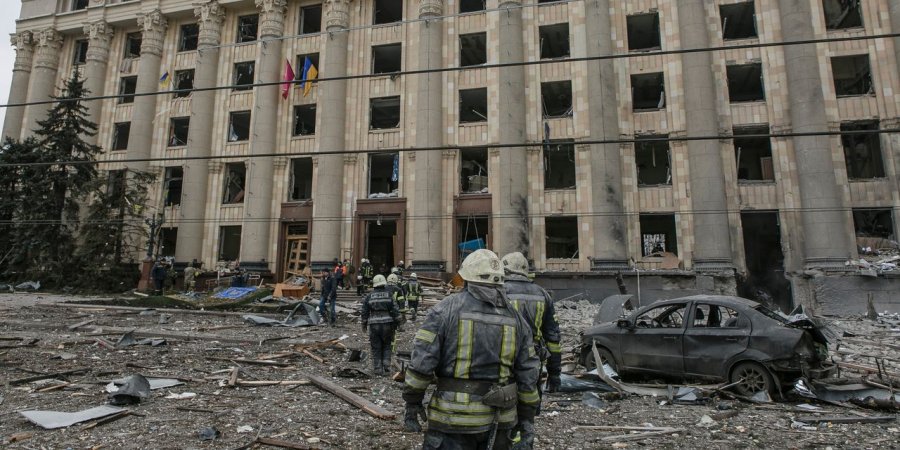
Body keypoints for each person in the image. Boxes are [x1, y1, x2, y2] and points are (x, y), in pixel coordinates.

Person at [403, 249, 541, 450]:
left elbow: (422, 363)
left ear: (466, 277)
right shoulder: (516, 319)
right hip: (500, 421)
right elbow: (529, 374)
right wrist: (527, 422)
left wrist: (412, 401)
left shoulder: (444, 310)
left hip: (452, 421)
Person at [502, 252, 563, 396]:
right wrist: (554, 374)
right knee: (530, 401)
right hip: (533, 361)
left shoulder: (499, 292)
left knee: (505, 403)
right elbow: (553, 340)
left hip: (504, 358)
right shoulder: (542, 294)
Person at [361, 274, 402, 376]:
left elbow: (364, 311)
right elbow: (395, 310)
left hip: (374, 324)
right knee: (387, 345)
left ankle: (378, 369)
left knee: (376, 346)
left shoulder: (369, 296)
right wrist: (398, 323)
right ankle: (386, 367)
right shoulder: (389, 295)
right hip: (387, 324)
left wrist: (364, 324)